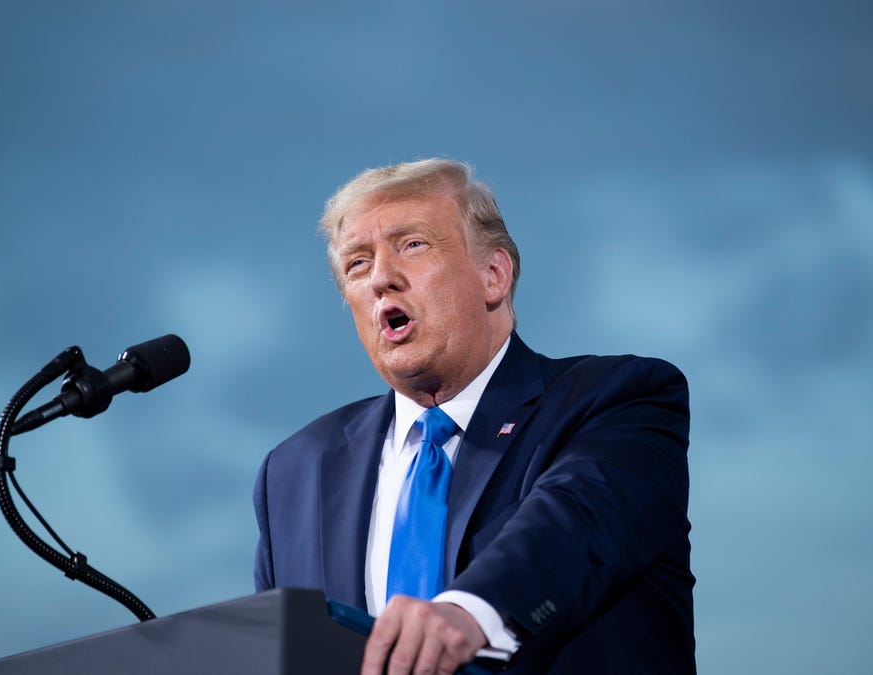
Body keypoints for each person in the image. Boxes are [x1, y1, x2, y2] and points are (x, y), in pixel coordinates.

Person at [253, 158, 694, 674]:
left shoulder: (615, 400)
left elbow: (572, 525)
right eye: (357, 264)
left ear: (493, 275)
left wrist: (469, 613)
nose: (381, 279)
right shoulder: (295, 471)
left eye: (412, 245)